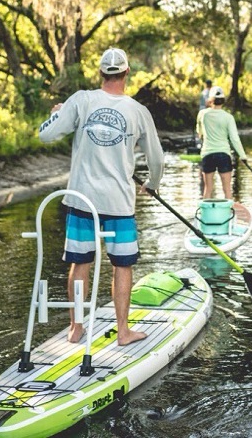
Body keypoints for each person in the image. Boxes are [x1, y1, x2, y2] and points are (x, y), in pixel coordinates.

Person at [39, 47, 164, 346]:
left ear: (101, 73)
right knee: (123, 265)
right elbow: (156, 158)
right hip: (119, 202)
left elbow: (45, 134)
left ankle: (75, 327)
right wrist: (153, 183)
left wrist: (56, 115)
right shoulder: (138, 111)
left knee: (80, 263)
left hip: (81, 199)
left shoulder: (81, 100)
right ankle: (123, 332)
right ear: (127, 71)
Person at [195, 86, 247, 200]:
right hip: (223, 154)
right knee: (227, 189)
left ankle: (205, 214)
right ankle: (230, 214)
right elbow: (234, 139)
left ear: (210, 100)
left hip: (207, 154)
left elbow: (199, 132)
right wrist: (242, 156)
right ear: (223, 100)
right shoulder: (228, 117)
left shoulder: (202, 114)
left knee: (208, 189)